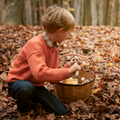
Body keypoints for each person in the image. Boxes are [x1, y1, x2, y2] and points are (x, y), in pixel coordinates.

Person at [6, 5, 81, 120]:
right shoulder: (35, 44)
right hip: (18, 83)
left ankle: (32, 97)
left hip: (36, 85)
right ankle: (23, 111)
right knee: (26, 88)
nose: (69, 36)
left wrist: (68, 67)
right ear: (60, 31)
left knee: (61, 111)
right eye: (69, 32)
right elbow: (40, 73)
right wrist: (68, 71)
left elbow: (52, 79)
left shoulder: (53, 47)